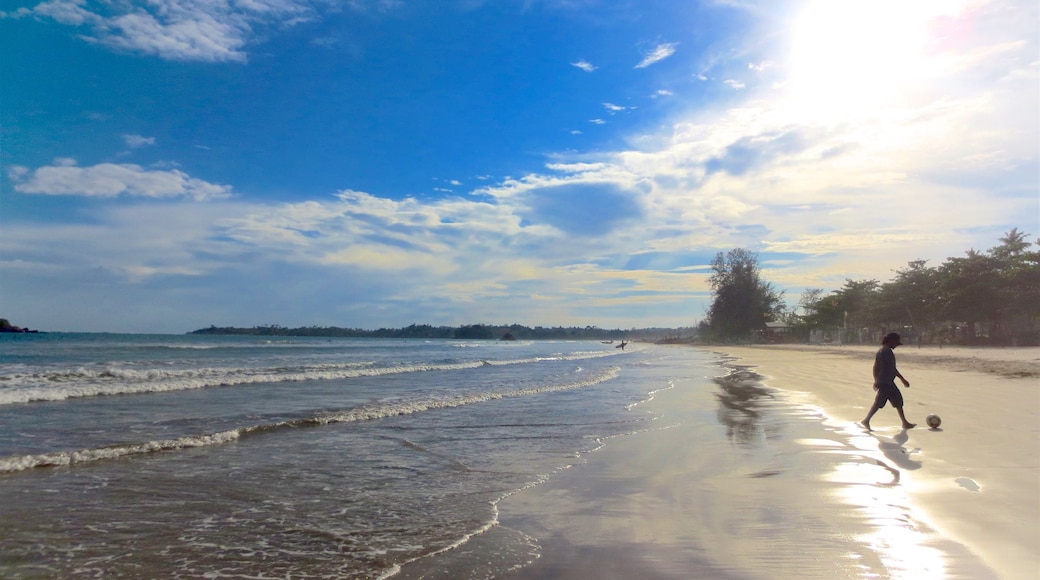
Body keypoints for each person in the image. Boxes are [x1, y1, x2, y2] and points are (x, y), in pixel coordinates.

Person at [860, 332, 916, 431]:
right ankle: (866, 420)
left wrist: (876, 379)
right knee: (880, 403)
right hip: (886, 382)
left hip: (886, 381)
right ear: (891, 341)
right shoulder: (886, 352)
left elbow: (876, 367)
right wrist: (902, 379)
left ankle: (904, 422)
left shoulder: (882, 350)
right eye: (895, 343)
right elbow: (892, 368)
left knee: (897, 401)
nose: (896, 345)